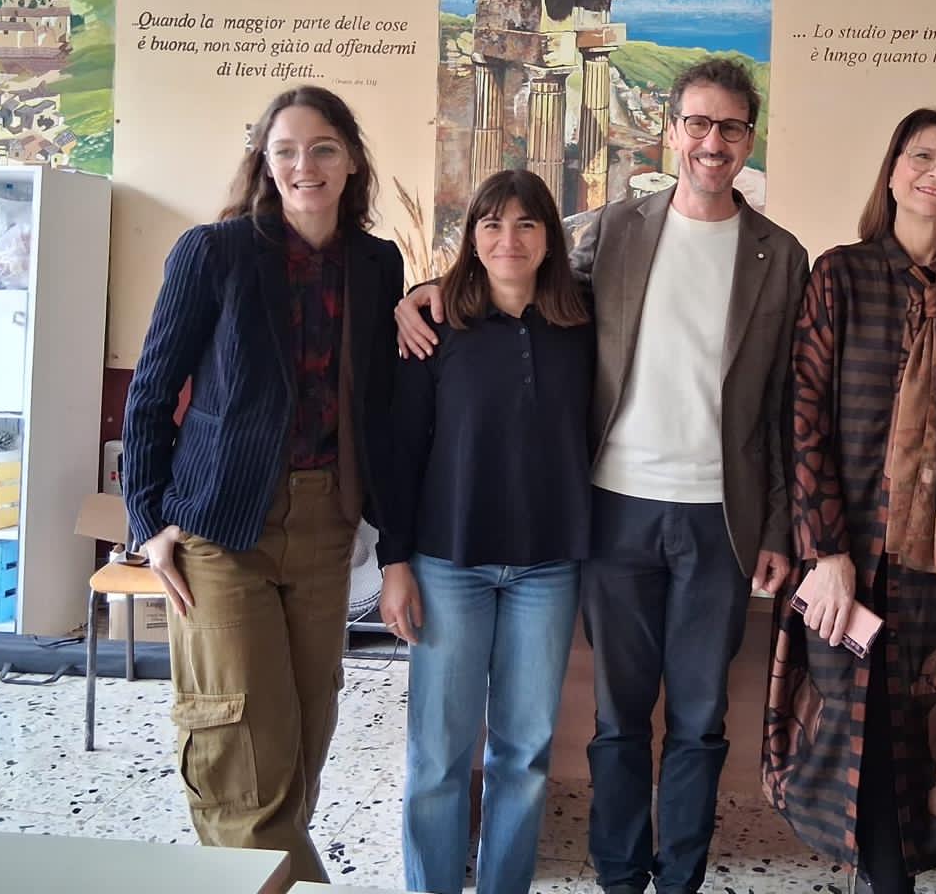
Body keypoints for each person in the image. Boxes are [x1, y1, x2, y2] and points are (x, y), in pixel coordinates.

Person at [397, 57, 808, 894]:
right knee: (618, 716)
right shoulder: (618, 229)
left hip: (721, 518)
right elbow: (525, 281)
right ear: (672, 131)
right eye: (698, 123)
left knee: (700, 716)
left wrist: (777, 528)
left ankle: (679, 877)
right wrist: (427, 288)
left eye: (731, 126)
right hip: (616, 508)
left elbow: (782, 403)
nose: (713, 141)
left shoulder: (781, 255)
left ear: (749, 138)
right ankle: (620, 876)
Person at [122, 86, 403, 884]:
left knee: (300, 745)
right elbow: (151, 391)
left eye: (323, 148)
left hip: (325, 526)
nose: (304, 165)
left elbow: (381, 403)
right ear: (264, 162)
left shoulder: (377, 264)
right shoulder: (213, 252)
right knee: (240, 757)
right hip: (220, 528)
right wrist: (148, 522)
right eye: (286, 150)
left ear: (352, 161)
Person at [763, 109, 936, 894]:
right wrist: (826, 552)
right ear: (893, 169)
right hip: (848, 546)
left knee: (921, 720)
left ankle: (893, 873)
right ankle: (885, 878)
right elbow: (804, 415)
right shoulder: (841, 274)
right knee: (850, 716)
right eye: (922, 156)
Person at [376, 169, 595, 894]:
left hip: (548, 567)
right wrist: (394, 562)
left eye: (527, 223)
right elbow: (401, 449)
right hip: (449, 563)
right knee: (438, 755)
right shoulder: (436, 325)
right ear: (472, 237)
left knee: (524, 755)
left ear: (550, 237)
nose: (509, 239)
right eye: (492, 224)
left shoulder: (584, 323)